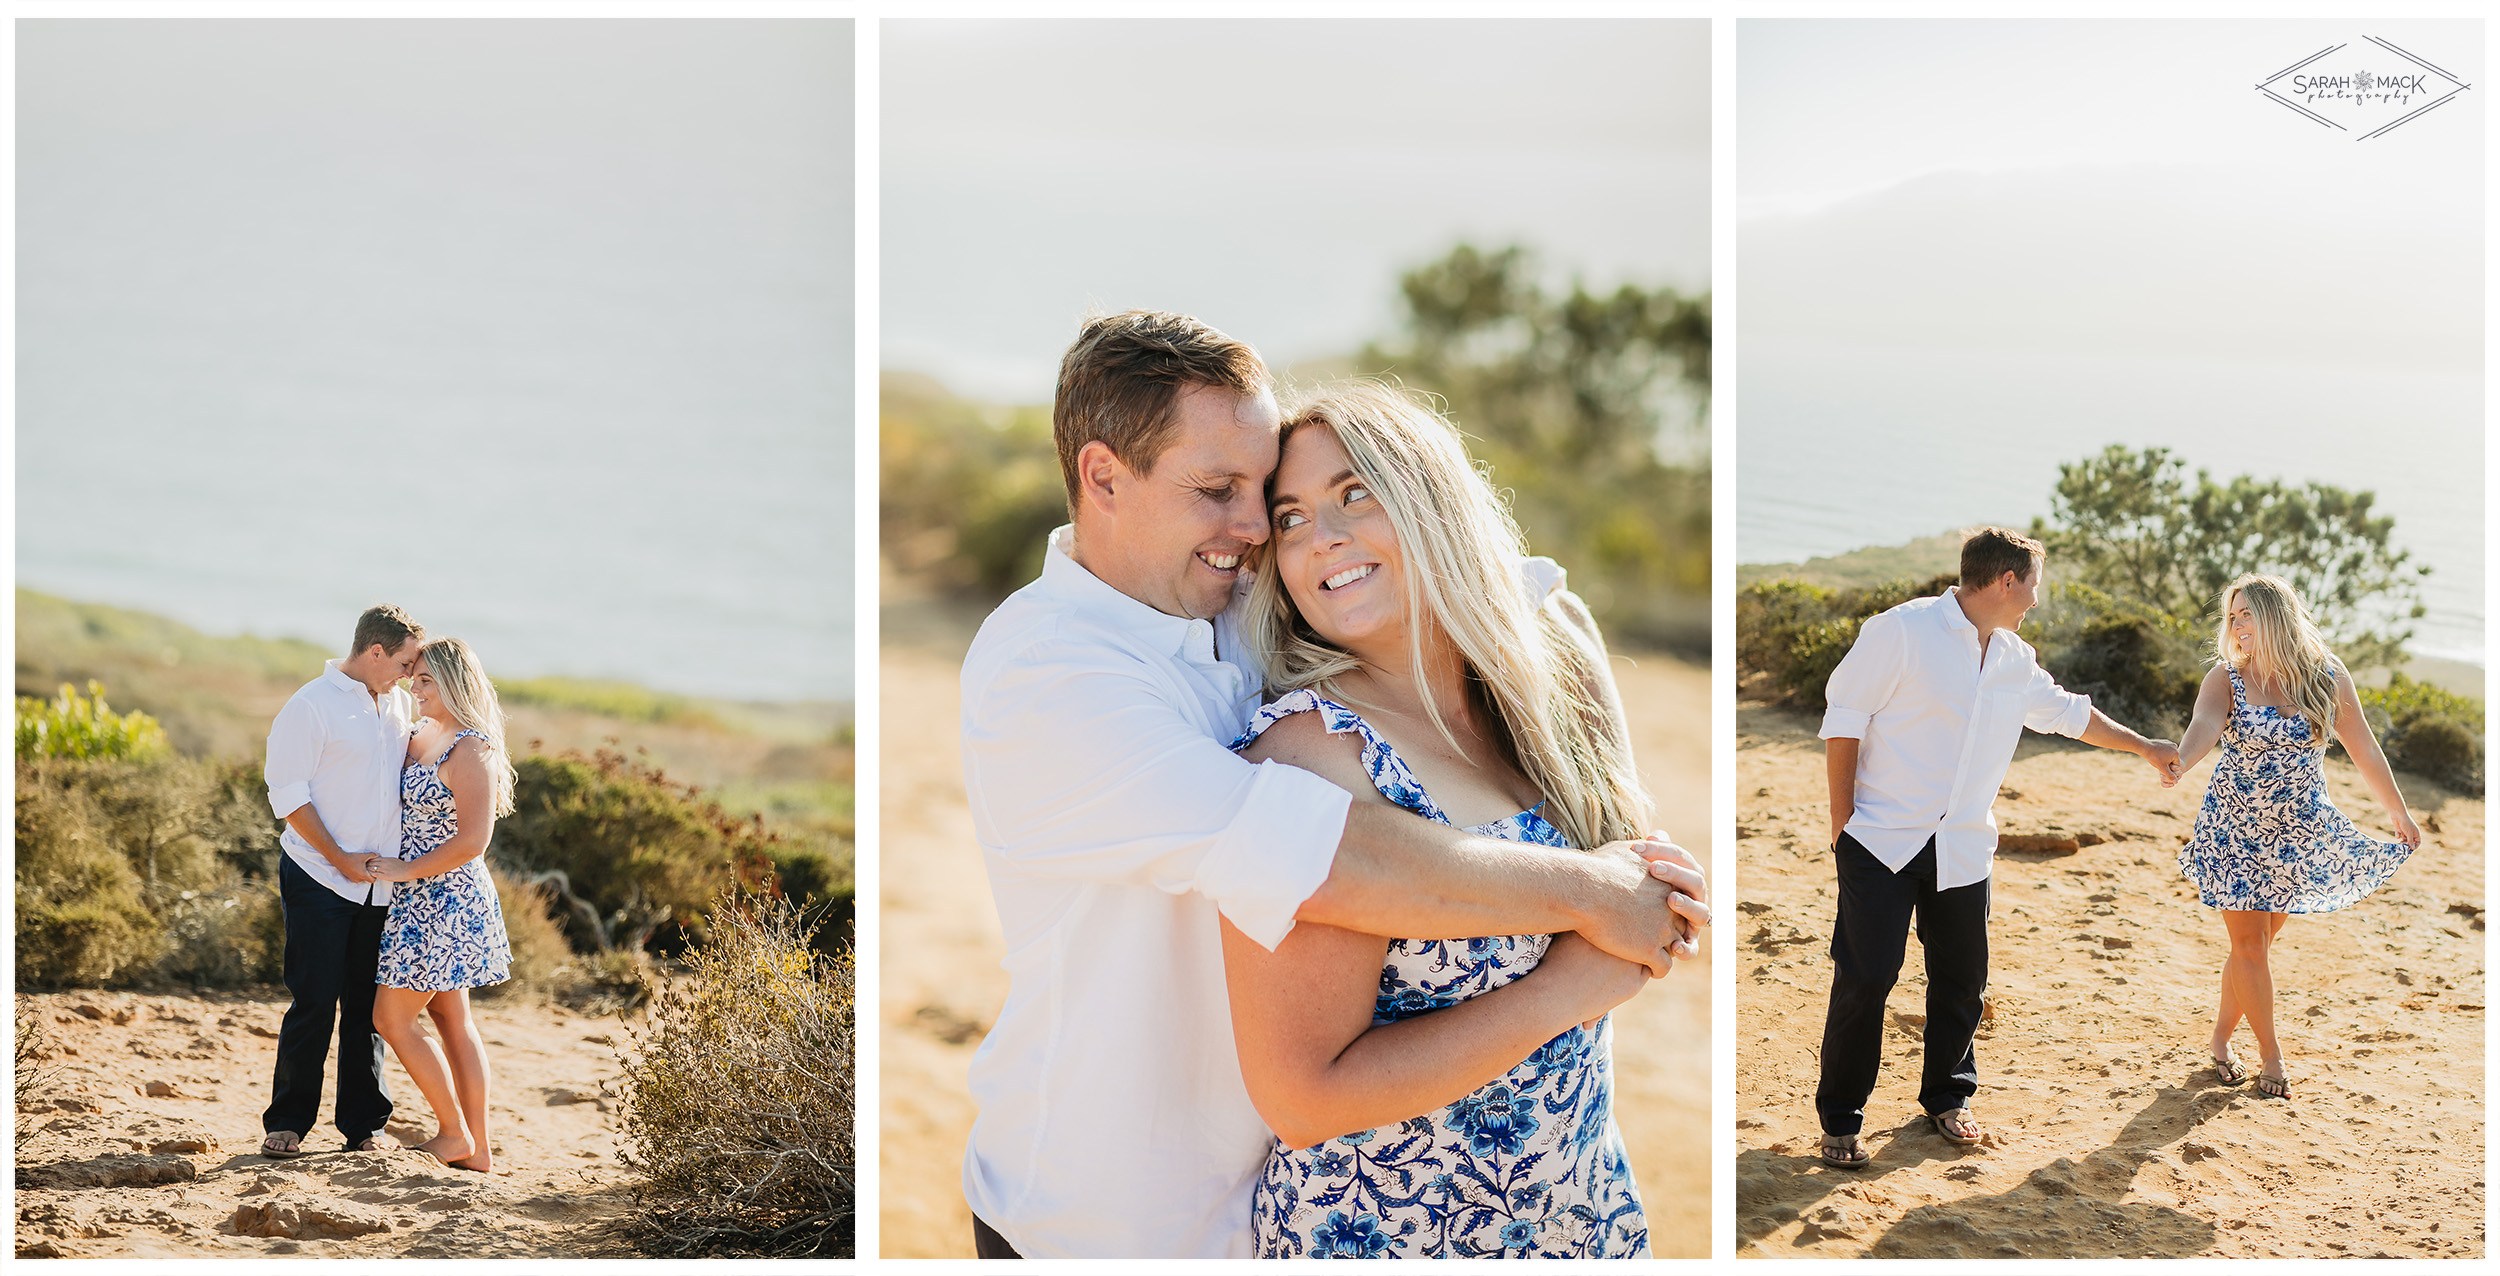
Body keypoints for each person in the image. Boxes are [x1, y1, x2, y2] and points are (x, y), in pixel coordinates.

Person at [958, 311, 1708, 1259]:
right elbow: (1323, 856)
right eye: (1221, 491)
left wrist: (1547, 617)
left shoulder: (1221, 601)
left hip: (1277, 1202)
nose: (1254, 530)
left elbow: (1491, 578)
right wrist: (1593, 898)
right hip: (1111, 1219)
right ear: (1104, 476)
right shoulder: (1050, 677)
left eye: (1261, 493)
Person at [1223, 384, 1654, 1258]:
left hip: (1580, 1211)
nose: (1323, 539)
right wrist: (1561, 995)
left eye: (1355, 494)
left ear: (1430, 497)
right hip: (1389, 1235)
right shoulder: (1315, 756)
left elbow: (1639, 878)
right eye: (1292, 518)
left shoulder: (1543, 683)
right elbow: (1302, 1097)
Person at [1813, 528, 2179, 1168]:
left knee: (1962, 980)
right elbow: (1844, 717)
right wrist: (1843, 820)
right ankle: (1842, 1118)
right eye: (2033, 583)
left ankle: (1948, 1099)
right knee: (1866, 977)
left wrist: (2145, 746)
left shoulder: (2014, 658)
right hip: (1881, 839)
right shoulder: (1901, 631)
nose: (2037, 598)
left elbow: (2072, 715)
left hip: (1963, 846)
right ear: (2007, 580)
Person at [2168, 574, 2423, 1099]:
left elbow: (2365, 751)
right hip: (2233, 829)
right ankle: (2271, 1057)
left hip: (2297, 835)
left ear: (2277, 617)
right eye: (2231, 617)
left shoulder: (2326, 677)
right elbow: (2202, 727)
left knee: (2255, 946)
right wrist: (2179, 762)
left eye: (2246, 615)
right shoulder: (2226, 678)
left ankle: (2219, 1038)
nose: (2236, 626)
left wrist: (2398, 812)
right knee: (2249, 946)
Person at [260, 604, 424, 1159]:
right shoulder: (310, 705)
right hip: (317, 876)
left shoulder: (401, 705)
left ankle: (363, 1125)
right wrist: (340, 858)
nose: (408, 674)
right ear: (374, 651)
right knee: (313, 1000)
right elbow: (288, 796)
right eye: (403, 662)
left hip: (381, 887)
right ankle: (287, 1121)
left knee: (367, 1006)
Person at [362, 636, 517, 1171]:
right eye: (415, 677)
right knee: (452, 1020)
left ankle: (454, 1133)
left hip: (445, 901)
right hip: (414, 900)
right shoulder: (421, 733)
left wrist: (405, 869)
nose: (415, 686)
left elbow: (475, 840)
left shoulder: (470, 748)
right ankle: (479, 1150)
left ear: (454, 683)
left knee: (391, 1018)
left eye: (426, 680)